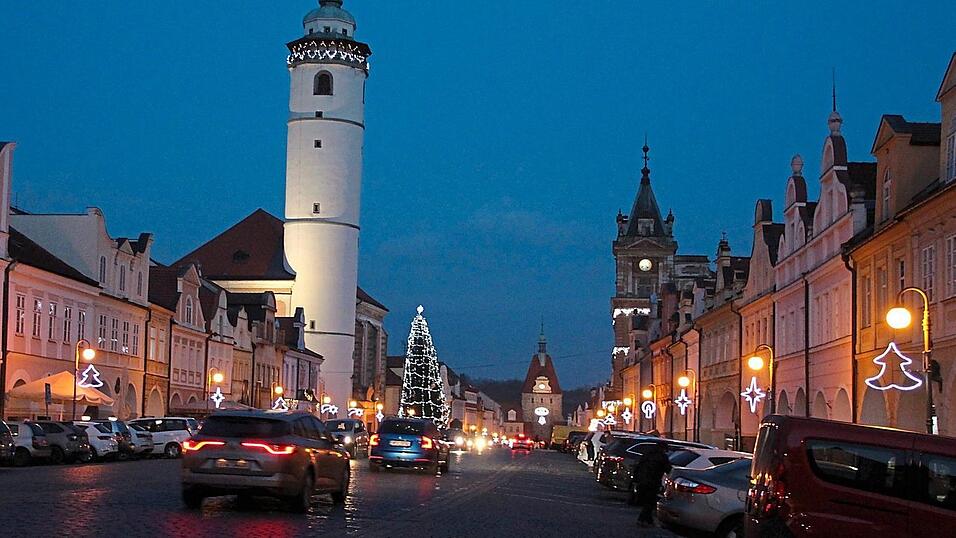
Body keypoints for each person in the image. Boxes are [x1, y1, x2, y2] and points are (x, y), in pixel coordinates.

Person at [634, 442, 671, 527]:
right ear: (663, 449)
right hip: (653, 481)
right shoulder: (662, 457)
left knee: (648, 501)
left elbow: (638, 466)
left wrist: (635, 480)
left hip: (642, 481)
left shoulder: (647, 454)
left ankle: (648, 521)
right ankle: (642, 519)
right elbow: (668, 469)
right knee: (650, 502)